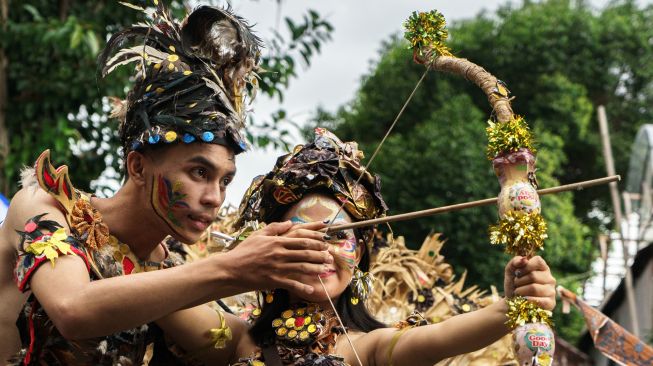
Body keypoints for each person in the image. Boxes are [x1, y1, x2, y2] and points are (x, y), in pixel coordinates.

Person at [0, 4, 333, 364]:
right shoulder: (44, 205)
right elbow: (72, 309)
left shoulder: (164, 270)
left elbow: (235, 346)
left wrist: (304, 294)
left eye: (225, 181)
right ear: (138, 166)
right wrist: (235, 268)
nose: (214, 198)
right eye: (200, 173)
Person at [155, 128, 557, 365]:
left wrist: (513, 305)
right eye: (302, 234)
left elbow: (440, 338)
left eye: (337, 236)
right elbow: (158, 294)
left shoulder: (367, 350)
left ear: (360, 252)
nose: (321, 250)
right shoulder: (238, 340)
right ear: (270, 245)